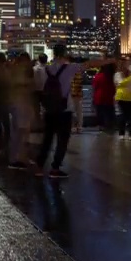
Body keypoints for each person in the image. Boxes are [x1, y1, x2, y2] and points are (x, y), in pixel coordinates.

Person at [34, 45, 81, 178]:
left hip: (49, 109)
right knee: (63, 139)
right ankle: (55, 168)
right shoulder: (70, 68)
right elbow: (89, 64)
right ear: (65, 53)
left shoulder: (45, 69)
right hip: (64, 109)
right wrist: (111, 61)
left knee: (47, 138)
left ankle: (39, 166)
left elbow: (40, 88)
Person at [4, 53, 36, 167]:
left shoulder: (15, 70)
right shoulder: (20, 71)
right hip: (20, 104)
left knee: (19, 132)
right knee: (20, 132)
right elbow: (24, 84)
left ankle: (19, 157)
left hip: (18, 104)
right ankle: (18, 158)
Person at [91, 63, 115, 133]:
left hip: (99, 97)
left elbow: (94, 87)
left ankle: (101, 126)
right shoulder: (112, 76)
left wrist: (93, 98)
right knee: (109, 112)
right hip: (109, 97)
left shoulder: (98, 76)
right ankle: (110, 125)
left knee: (100, 112)